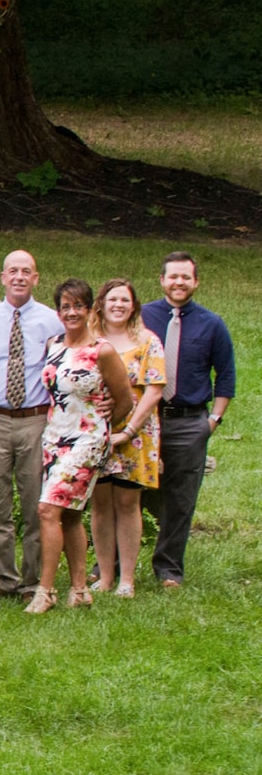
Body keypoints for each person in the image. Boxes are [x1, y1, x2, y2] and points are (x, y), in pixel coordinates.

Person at [26, 280, 136, 614]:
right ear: (58, 311)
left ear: (90, 309)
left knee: (48, 509)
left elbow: (125, 400)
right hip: (54, 436)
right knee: (71, 515)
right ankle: (79, 590)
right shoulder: (53, 345)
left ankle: (45, 591)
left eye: (78, 306)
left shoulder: (102, 350)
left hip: (87, 441)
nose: (71, 312)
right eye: (65, 306)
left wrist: (103, 423)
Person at [0, 250, 63, 597]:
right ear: (2, 277)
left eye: (26, 272)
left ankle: (33, 580)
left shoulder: (52, 321)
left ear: (36, 278)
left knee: (37, 504)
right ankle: (4, 578)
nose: (19, 277)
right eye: (13, 271)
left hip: (36, 421)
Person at [141, 252, 234, 590]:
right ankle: (112, 563)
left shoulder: (212, 324)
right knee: (130, 493)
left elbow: (226, 377)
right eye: (173, 276)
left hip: (189, 421)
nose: (179, 282)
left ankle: (168, 569)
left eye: (185, 277)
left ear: (196, 282)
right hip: (145, 419)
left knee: (181, 500)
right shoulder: (143, 317)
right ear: (162, 280)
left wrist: (212, 421)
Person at [91, 279, 165, 596]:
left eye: (125, 300)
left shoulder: (148, 341)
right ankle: (105, 576)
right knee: (100, 503)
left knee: (127, 501)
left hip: (137, 433)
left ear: (133, 305)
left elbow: (154, 390)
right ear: (102, 304)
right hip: (97, 431)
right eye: (112, 299)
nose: (118, 305)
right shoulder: (91, 341)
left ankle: (127, 579)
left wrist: (129, 430)